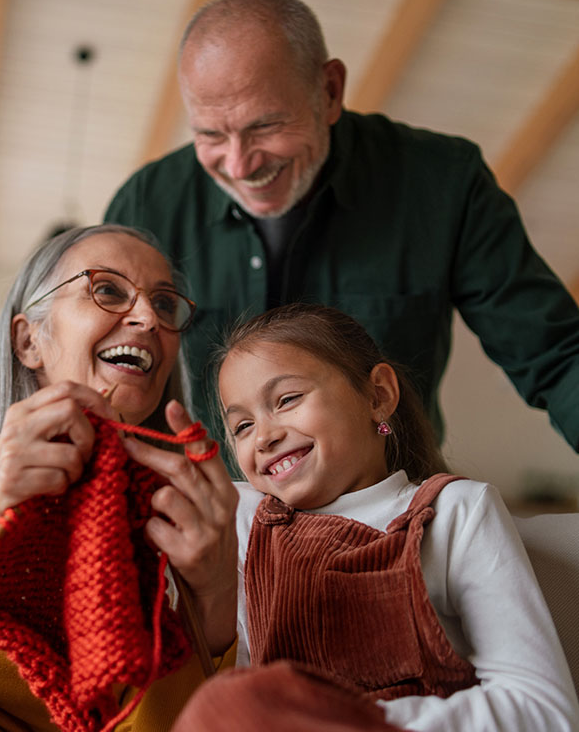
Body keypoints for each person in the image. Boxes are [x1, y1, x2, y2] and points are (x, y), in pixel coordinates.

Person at [103, 0, 579, 453]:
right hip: (206, 516)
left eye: (265, 126)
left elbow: (555, 355)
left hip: (391, 514)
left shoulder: (445, 183)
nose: (240, 165)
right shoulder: (147, 204)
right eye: (211, 135)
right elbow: (99, 377)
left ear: (330, 91)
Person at [0, 224, 239, 731]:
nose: (147, 317)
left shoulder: (187, 523)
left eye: (164, 303)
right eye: (108, 289)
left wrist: (214, 600)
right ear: (28, 341)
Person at [203, 303, 578, 731]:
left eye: (287, 400)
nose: (265, 437)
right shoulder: (246, 521)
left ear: (378, 396)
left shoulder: (457, 510)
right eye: (242, 427)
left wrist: (340, 720)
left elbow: (543, 711)